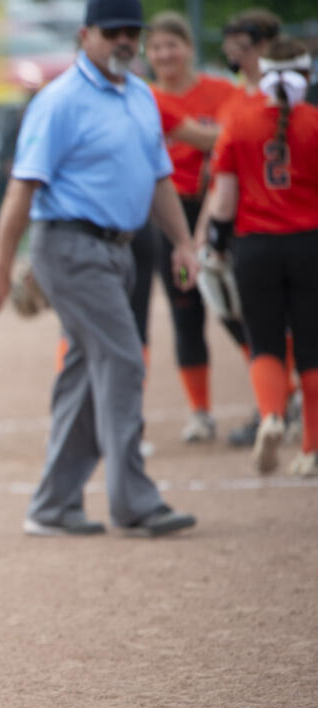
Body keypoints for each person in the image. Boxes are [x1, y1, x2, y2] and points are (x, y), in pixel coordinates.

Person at [0, 0, 198, 538]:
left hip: (119, 248)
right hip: (70, 247)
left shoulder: (141, 96)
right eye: (113, 31)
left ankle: (53, 505)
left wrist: (184, 243)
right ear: (85, 35)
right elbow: (22, 186)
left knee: (84, 375)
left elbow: (159, 178)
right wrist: (1, 267)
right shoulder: (60, 102)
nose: (125, 40)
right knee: (122, 359)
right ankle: (134, 502)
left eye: (132, 32)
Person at [204, 37, 318, 477]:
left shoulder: (239, 121)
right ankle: (310, 449)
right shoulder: (313, 123)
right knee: (312, 348)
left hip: (255, 247)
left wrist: (214, 246)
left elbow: (224, 202)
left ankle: (271, 414)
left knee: (264, 340)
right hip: (309, 243)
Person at [144, 11, 245, 444]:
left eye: (173, 44)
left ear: (188, 48)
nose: (165, 54)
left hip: (220, 212)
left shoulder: (220, 92)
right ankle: (200, 413)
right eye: (157, 47)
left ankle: (283, 397)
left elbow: (237, 139)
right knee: (186, 307)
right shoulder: (143, 97)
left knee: (234, 305)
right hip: (172, 219)